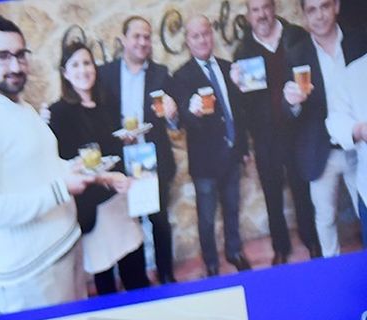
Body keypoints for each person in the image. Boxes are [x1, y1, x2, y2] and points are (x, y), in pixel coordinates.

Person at [0, 15, 95, 313]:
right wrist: (62, 189)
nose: (15, 66)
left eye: (20, 54)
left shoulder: (21, 106)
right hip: (33, 276)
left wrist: (74, 168)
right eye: (2, 56)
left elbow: (42, 167)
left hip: (65, 247)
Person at [48, 41, 148, 293]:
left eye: (87, 63)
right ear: (65, 72)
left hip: (120, 203)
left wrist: (129, 140)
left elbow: (114, 149)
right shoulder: (58, 113)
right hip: (94, 210)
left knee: (137, 276)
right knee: (106, 283)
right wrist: (105, 177)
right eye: (75, 65)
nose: (83, 70)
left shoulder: (108, 103)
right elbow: (65, 165)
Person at [235, 0, 322, 262]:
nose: (261, 14)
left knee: (303, 189)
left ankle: (312, 240)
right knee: (272, 194)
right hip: (265, 137)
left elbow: (314, 76)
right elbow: (244, 106)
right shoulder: (243, 50)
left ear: (274, 8)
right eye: (255, 10)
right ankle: (280, 248)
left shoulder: (296, 35)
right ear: (249, 15)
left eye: (266, 7)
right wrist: (237, 87)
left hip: (299, 129)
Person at [99, 15, 183, 284]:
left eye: (147, 37)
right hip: (119, 164)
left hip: (151, 161)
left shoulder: (161, 73)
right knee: (126, 224)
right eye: (137, 36)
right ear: (123, 39)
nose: (143, 42)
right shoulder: (105, 74)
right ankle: (135, 279)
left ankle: (166, 272)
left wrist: (172, 114)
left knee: (159, 222)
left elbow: (173, 121)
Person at [174, 15, 253, 276]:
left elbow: (238, 113)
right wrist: (192, 112)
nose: (202, 40)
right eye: (195, 36)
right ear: (188, 41)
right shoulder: (182, 76)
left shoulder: (228, 67)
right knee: (206, 219)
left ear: (212, 35)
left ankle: (234, 251)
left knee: (232, 210)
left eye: (206, 33)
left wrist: (242, 148)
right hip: (205, 163)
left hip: (231, 156)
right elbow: (183, 120)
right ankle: (211, 262)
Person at [287, 0, 367, 257]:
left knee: (363, 208)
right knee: (325, 218)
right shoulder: (296, 54)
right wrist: (293, 104)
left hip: (362, 145)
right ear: (304, 15)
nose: (319, 15)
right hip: (322, 150)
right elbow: (286, 108)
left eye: (324, 6)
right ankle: (330, 267)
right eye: (312, 10)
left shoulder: (359, 40)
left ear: (336, 6)